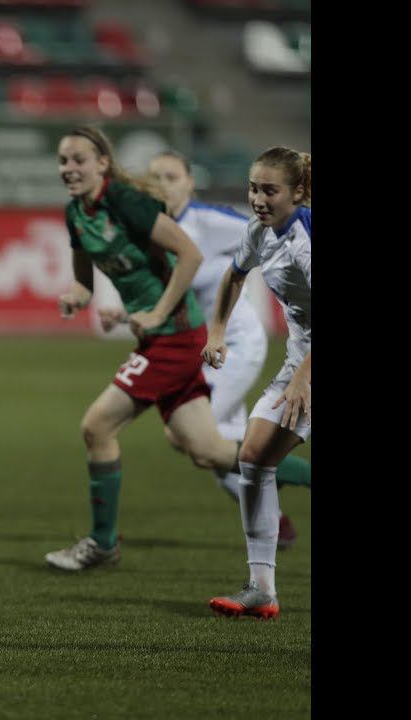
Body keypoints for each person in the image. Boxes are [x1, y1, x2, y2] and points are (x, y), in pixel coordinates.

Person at [44, 126, 309, 572]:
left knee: (97, 426)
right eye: (63, 160)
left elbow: (190, 255)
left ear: (103, 163)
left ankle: (102, 543)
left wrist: (158, 313)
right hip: (171, 336)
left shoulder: (126, 202)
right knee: (210, 450)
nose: (69, 168)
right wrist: (77, 295)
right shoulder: (77, 214)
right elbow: (84, 281)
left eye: (79, 160)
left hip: (177, 336)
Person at [204, 147, 311, 620]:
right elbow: (234, 275)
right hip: (302, 361)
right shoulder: (259, 231)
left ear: (298, 192)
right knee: (252, 457)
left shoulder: (306, 239)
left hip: (307, 367)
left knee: (255, 457)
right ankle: (262, 589)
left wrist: (303, 378)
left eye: (270, 190)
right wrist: (217, 331)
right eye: (253, 188)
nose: (258, 199)